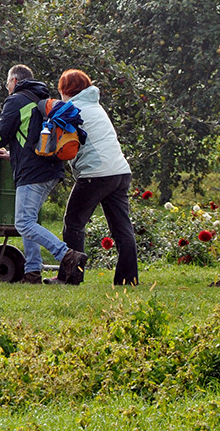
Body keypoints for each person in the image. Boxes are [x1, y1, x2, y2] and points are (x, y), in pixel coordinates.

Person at [0, 64, 87, 284]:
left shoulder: (16, 100)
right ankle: (32, 273)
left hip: (33, 172)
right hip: (50, 168)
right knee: (30, 221)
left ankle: (67, 255)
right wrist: (12, 154)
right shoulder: (41, 99)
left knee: (23, 223)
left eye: (7, 82)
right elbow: (32, 138)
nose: (6, 87)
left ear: (15, 81)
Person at [58, 69, 139, 286]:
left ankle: (70, 277)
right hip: (120, 171)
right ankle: (127, 280)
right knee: (122, 229)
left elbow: (57, 144)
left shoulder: (72, 109)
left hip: (97, 174)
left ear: (66, 90)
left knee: (73, 223)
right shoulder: (96, 106)